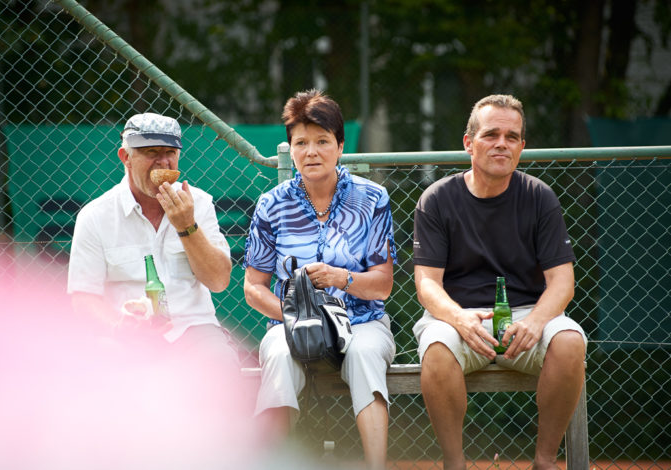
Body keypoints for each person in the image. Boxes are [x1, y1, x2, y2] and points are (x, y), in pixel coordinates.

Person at [412, 94, 587, 470]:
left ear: (522, 147)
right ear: (468, 143)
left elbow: (562, 282)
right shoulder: (437, 199)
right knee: (437, 351)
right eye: (491, 134)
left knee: (570, 341)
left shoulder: (540, 197)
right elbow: (426, 283)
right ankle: (454, 463)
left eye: (512, 137)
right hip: (458, 316)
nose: (501, 144)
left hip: (527, 316)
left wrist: (537, 321)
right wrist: (459, 320)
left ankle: (544, 461)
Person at [243, 89, 397, 469]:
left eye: (322, 141)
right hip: (290, 325)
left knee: (363, 354)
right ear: (291, 149)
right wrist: (291, 317)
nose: (311, 152)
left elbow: (382, 285)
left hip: (362, 320)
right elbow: (253, 287)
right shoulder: (271, 204)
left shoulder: (372, 198)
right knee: (278, 354)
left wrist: (339, 277)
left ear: (340, 146)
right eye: (301, 142)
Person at [67, 112, 237, 365]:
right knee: (105, 361)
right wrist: (119, 328)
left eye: (170, 152)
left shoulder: (198, 203)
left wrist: (187, 226)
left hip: (193, 329)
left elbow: (219, 281)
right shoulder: (95, 216)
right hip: (126, 337)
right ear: (126, 158)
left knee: (220, 361)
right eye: (151, 152)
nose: (163, 162)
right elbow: (83, 298)